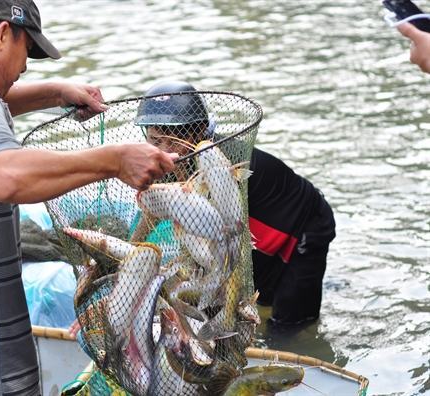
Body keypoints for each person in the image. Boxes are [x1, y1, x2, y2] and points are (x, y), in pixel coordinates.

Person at [0, 1, 177, 395]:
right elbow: (3, 175)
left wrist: (56, 93)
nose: (25, 67)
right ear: (3, 34)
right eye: (27, 51)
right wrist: (113, 160)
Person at [134, 81, 336, 326]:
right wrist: (131, 249)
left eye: (172, 140)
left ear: (198, 132)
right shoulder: (168, 162)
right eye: (155, 141)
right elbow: (155, 211)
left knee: (287, 326)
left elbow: (217, 238)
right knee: (260, 299)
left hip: (303, 226)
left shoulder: (217, 161)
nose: (164, 150)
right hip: (254, 237)